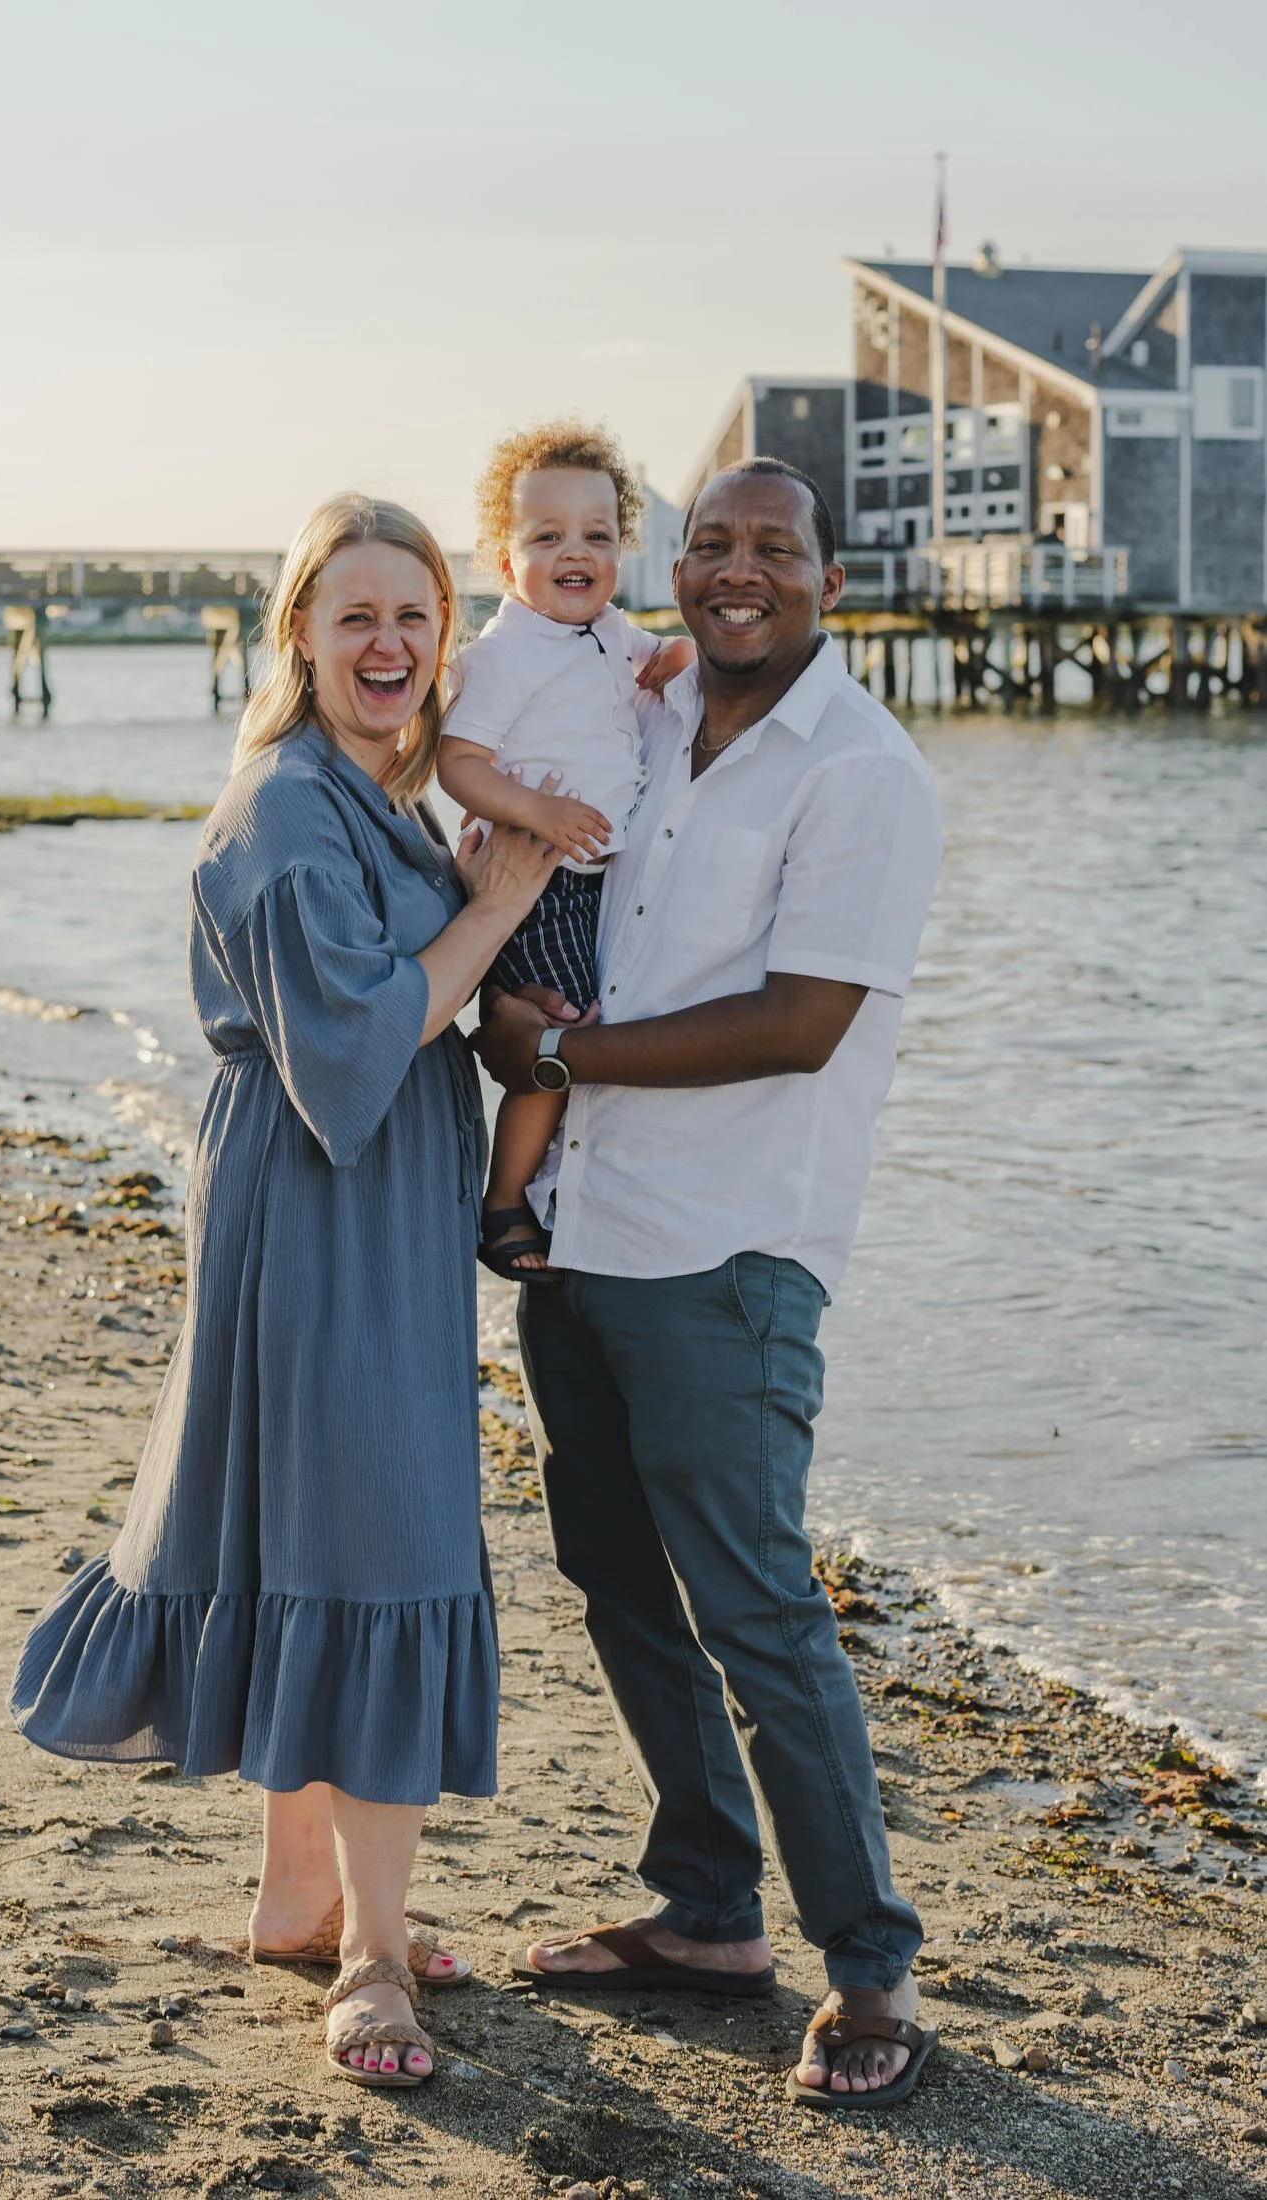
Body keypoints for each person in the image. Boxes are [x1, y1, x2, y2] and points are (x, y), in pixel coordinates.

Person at [12, 494, 559, 2089]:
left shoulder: (361, 796)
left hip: (356, 1193)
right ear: (299, 639)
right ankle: (375, 1962)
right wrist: (496, 908)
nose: (389, 646)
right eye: (357, 619)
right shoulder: (282, 804)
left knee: (326, 1521)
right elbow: (352, 1041)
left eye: (415, 619)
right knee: (377, 1532)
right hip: (323, 1194)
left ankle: (300, 1894)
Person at [476, 458, 945, 2110]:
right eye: (715, 545)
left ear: (829, 570)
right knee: (615, 1575)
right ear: (679, 567)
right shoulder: (656, 720)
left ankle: (868, 1971)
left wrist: (570, 1052)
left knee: (753, 1604)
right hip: (586, 1229)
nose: (739, 572)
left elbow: (802, 1020)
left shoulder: (862, 772)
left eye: (776, 547)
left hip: (729, 1254)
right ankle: (707, 1912)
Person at [437, 421, 692, 1280]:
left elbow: (664, 660)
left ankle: (554, 1193)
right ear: (507, 566)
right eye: (546, 538)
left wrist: (685, 653)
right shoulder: (507, 655)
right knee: (560, 1043)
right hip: (540, 881)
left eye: (596, 535)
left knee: (576, 1039)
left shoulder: (613, 631)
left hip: (589, 882)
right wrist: (537, 811)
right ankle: (506, 1202)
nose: (574, 552)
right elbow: (458, 761)